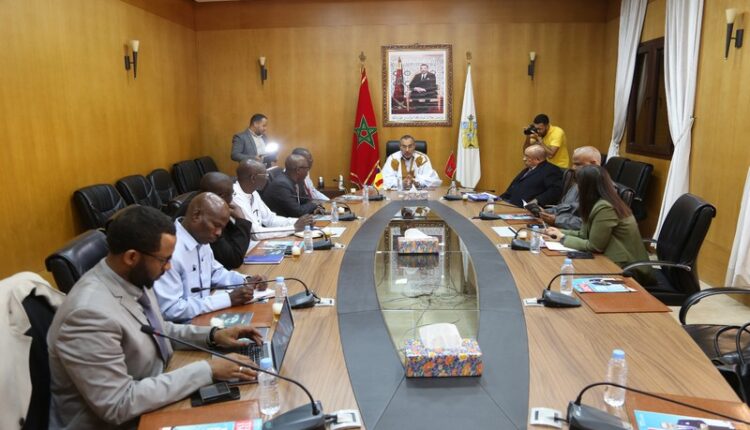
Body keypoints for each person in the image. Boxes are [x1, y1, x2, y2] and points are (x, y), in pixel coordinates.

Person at [47, 205, 262, 430]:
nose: (169, 267)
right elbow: (118, 404)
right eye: (164, 259)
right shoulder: (87, 314)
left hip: (157, 391)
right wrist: (208, 370)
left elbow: (157, 329)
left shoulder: (132, 276)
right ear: (131, 257)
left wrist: (213, 335)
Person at [153, 192, 266, 322]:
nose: (219, 233)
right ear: (196, 216)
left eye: (222, 228)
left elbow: (215, 272)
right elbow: (170, 310)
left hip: (206, 316)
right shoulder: (169, 250)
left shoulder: (201, 239)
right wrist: (228, 299)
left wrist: (246, 281)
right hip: (184, 327)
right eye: (216, 225)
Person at [544, 165, 653, 284]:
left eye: (578, 184)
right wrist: (559, 232)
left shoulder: (605, 207)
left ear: (587, 187)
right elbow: (584, 234)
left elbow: (595, 246)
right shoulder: (596, 203)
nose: (576, 187)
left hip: (624, 267)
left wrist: (563, 238)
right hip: (608, 258)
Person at [234, 159, 314, 249]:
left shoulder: (253, 192)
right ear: (253, 178)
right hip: (247, 250)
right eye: (265, 175)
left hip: (259, 244)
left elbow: (271, 219)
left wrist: (299, 222)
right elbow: (256, 233)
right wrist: (294, 228)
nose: (267, 178)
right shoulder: (236, 198)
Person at [198, 172, 254, 269]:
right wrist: (241, 220)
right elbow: (233, 260)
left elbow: (232, 242)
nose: (233, 199)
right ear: (221, 196)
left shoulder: (207, 204)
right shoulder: (206, 217)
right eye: (232, 194)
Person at [539, 146, 601, 230]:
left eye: (578, 164)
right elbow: (562, 207)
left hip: (572, 234)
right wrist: (544, 212)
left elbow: (587, 225)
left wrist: (556, 220)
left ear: (594, 164)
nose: (573, 168)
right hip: (558, 228)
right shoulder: (576, 184)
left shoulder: (601, 190)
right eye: (573, 164)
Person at [261, 154, 326, 217]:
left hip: (295, 220)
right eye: (307, 168)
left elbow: (305, 200)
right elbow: (297, 212)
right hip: (283, 222)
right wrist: (314, 204)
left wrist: (315, 207)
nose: (308, 171)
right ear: (298, 170)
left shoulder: (298, 181)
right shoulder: (281, 185)